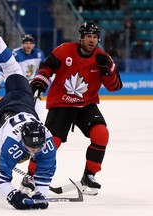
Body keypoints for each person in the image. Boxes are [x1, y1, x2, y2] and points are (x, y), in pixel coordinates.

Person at [29, 22, 123, 192]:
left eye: (95, 37)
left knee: (101, 133)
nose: (92, 40)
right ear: (81, 38)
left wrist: (108, 71)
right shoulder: (64, 50)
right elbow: (47, 68)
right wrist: (39, 82)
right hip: (61, 104)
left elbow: (115, 87)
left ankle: (89, 175)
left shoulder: (103, 58)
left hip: (86, 104)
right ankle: (30, 176)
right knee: (51, 143)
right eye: (88, 36)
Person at [0, 10, 57, 210]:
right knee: (12, 68)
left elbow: (46, 174)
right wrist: (13, 196)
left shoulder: (46, 142)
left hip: (23, 100)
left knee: (13, 69)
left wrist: (41, 192)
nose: (35, 150)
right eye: (31, 148)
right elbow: (1, 181)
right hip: (0, 115)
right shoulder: (11, 145)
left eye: (36, 147)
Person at [0, 33, 45, 115]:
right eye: (26, 43)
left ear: (34, 44)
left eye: (30, 43)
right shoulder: (16, 54)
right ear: (22, 44)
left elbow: (44, 69)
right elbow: (6, 69)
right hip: (19, 86)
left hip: (32, 87)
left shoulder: (39, 54)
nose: (28, 45)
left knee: (38, 109)